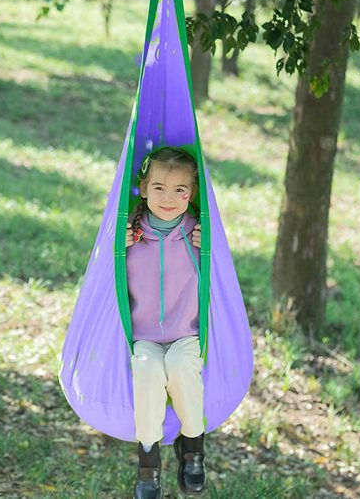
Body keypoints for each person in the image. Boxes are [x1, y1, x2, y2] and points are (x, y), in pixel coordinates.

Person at [125, 146, 206, 499]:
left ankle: (193, 447)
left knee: (182, 368)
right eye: (158, 187)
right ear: (143, 189)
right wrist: (118, 247)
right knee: (146, 370)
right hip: (144, 334)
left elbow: (222, 284)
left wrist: (211, 248)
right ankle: (148, 459)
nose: (169, 198)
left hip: (186, 332)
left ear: (192, 194)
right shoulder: (127, 234)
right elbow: (103, 279)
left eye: (180, 190)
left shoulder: (199, 234)